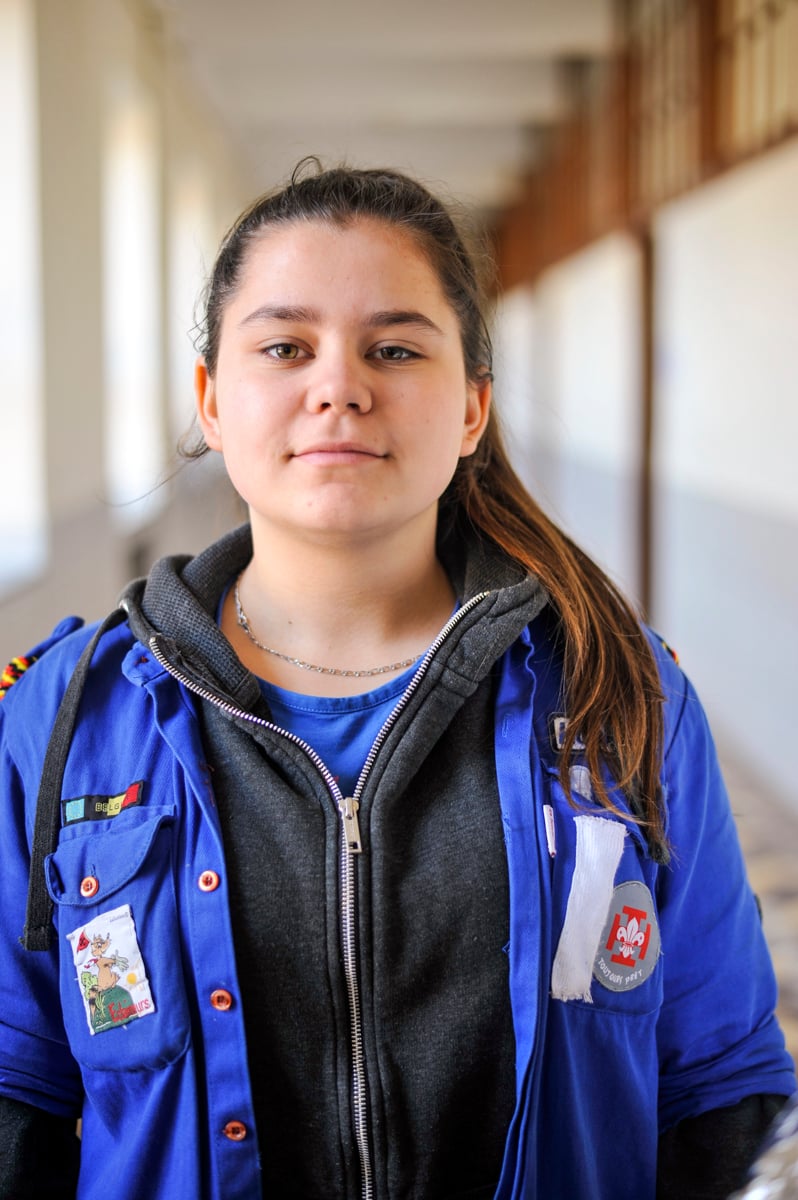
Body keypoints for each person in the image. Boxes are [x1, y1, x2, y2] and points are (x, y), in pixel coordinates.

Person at [0, 161, 794, 1200]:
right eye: (285, 347)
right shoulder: (64, 717)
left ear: (471, 410)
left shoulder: (616, 695)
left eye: (394, 347)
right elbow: (20, 1095)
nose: (339, 385)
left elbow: (721, 1087)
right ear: (211, 402)